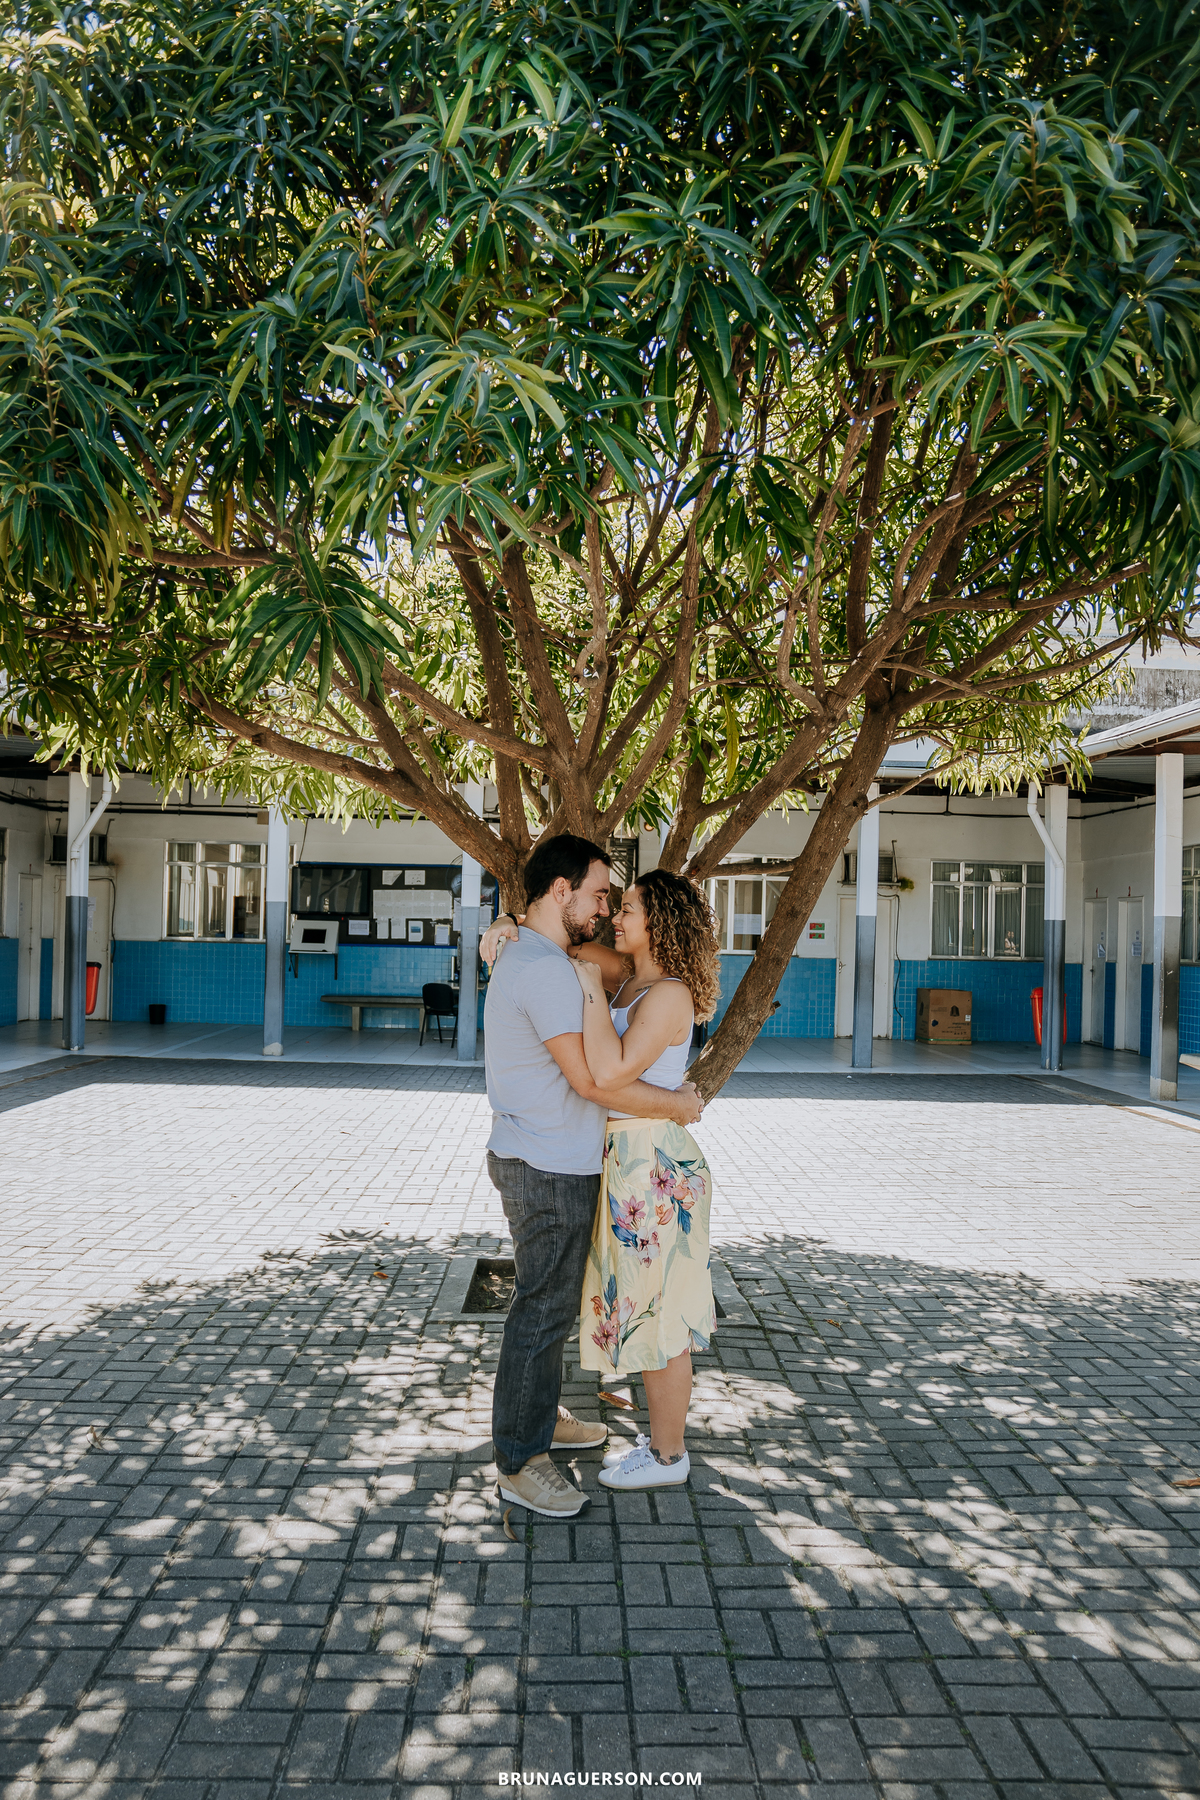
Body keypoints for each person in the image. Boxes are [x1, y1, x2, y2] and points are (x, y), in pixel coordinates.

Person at [482, 835, 703, 1520]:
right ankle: (522, 1458)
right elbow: (594, 1080)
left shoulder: (566, 962)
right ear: (560, 890)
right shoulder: (548, 966)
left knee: (569, 1306)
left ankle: (553, 1427)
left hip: (600, 1164)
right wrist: (679, 1105)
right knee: (544, 1310)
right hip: (548, 1164)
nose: (608, 910)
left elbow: (604, 1048)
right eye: (603, 894)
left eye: (622, 902)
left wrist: (510, 925)